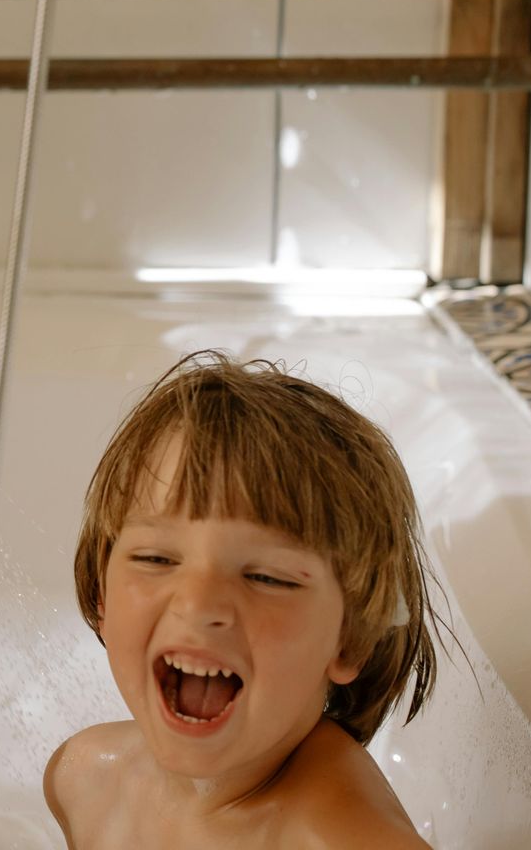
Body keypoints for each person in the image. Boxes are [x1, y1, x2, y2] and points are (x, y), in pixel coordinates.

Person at [44, 352, 442, 849]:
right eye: (156, 559)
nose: (198, 604)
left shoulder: (346, 840)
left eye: (266, 578)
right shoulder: (85, 782)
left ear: (351, 639)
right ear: (101, 595)